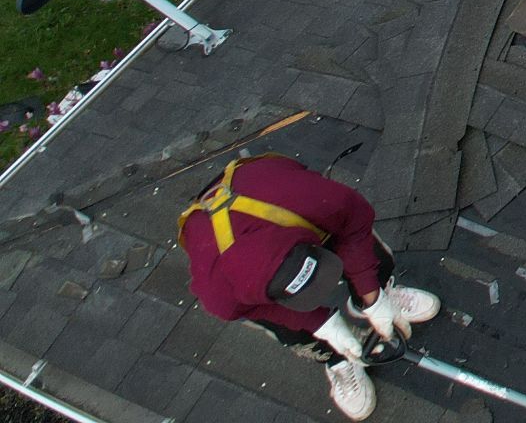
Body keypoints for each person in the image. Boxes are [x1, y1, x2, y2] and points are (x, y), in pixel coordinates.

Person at [178, 154, 442, 420]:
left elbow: (355, 220)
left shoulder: (312, 199)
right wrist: (322, 325)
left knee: (372, 261)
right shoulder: (220, 294)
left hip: (279, 201)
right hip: (235, 243)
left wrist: (372, 296)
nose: (322, 289)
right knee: (292, 331)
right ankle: (337, 361)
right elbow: (269, 311)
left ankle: (379, 297)